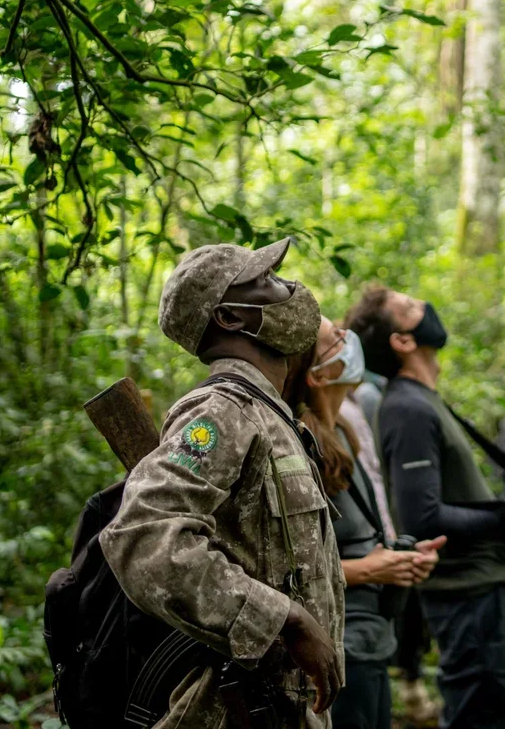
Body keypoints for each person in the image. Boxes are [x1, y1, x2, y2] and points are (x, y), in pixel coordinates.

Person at [99, 238, 345, 727]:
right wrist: (281, 619)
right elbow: (144, 533)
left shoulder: (272, 417)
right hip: (237, 710)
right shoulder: (220, 413)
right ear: (232, 318)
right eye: (269, 281)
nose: (292, 289)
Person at [347, 285, 505, 729]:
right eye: (409, 308)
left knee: (489, 705)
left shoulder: (424, 400)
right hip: (463, 593)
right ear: (402, 341)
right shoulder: (407, 407)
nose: (424, 306)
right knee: (476, 712)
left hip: (479, 587)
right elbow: (420, 518)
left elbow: (452, 502)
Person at [284, 316, 447, 729]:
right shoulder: (299, 442)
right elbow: (281, 572)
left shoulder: (342, 430)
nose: (348, 339)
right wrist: (371, 569)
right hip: (339, 646)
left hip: (372, 639)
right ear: (317, 374)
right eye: (334, 339)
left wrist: (396, 560)